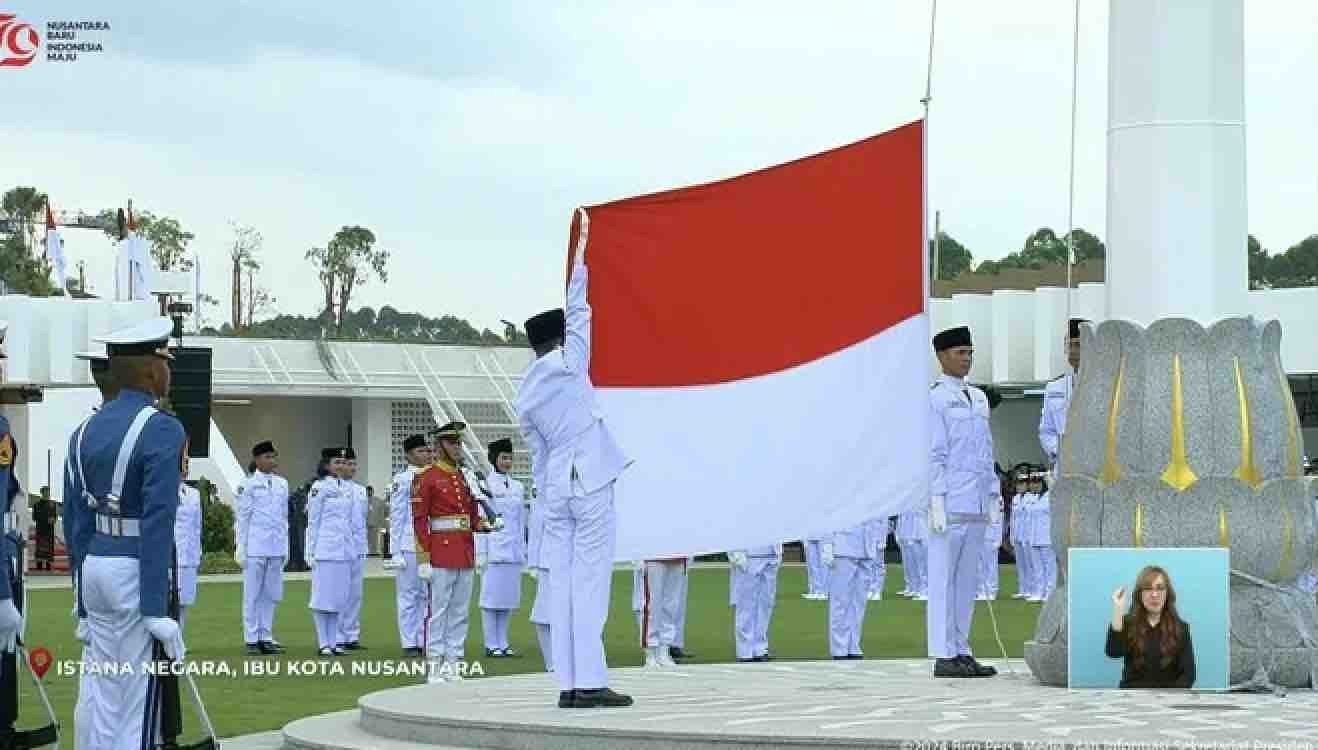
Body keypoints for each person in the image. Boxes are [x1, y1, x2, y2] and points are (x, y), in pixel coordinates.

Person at [516, 238, 633, 709]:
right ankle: (589, 682)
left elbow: (538, 455)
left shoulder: (525, 392)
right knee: (589, 585)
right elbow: (580, 310)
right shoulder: (569, 364)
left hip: (557, 491)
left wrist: (548, 499)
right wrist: (581, 256)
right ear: (561, 338)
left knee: (562, 588)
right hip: (589, 483)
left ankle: (568, 683)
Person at [63, 317, 188, 748]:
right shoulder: (162, 428)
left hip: (95, 565)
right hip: (133, 570)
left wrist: (81, 600)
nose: (169, 372)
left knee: (101, 690)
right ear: (152, 370)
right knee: (135, 699)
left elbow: (76, 522)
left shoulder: (83, 432)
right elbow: (157, 522)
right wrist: (156, 608)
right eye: (166, 361)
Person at [928, 325, 999, 678]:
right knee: (943, 579)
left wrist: (993, 496)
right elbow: (934, 454)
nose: (967, 359)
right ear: (942, 357)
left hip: (976, 501)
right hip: (950, 502)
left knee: (968, 582)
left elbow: (986, 452)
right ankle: (943, 654)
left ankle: (962, 649)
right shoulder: (936, 398)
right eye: (960, 353)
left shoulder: (979, 398)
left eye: (970, 352)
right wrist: (936, 500)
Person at [412, 421, 489, 683]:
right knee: (439, 611)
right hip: (441, 550)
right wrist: (423, 557)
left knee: (460, 610)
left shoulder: (463, 476)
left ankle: (453, 662)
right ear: (440, 446)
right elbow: (420, 520)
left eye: (459, 443)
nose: (458, 448)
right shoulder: (427, 477)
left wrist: (481, 525)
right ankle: (434, 663)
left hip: (464, 548)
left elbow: (469, 513)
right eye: (452, 443)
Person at [236, 440, 289, 654]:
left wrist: (285, 546)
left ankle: (266, 635)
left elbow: (284, 518)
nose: (272, 461)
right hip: (255, 546)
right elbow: (243, 518)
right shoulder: (247, 484)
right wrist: (241, 547)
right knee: (252, 595)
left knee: (271, 594)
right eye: (267, 457)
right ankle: (251, 637)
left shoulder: (282, 484)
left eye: (274, 456)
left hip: (275, 546)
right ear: (256, 460)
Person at [1106, 565, 1196, 688]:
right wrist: (1117, 610)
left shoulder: (1181, 628)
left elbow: (1189, 675)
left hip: (1169, 699)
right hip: (1131, 699)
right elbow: (1113, 651)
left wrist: (1167, 700)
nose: (1154, 595)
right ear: (1140, 594)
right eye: (1148, 589)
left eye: (1160, 589)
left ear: (1167, 594)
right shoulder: (1128, 623)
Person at [477, 437, 527, 658]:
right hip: (494, 549)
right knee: (491, 600)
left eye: (510, 458)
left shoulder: (518, 486)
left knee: (507, 599)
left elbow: (521, 521)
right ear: (493, 459)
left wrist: (524, 550)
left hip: (513, 550)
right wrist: (481, 552)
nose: (507, 462)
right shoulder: (485, 485)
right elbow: (480, 519)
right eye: (503, 458)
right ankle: (491, 644)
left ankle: (503, 642)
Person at [307, 448, 355, 656]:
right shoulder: (319, 488)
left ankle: (335, 640)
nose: (340, 466)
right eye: (336, 462)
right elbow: (313, 521)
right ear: (327, 465)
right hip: (325, 549)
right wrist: (310, 551)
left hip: (344, 550)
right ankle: (323, 642)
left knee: (338, 599)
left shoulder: (346, 488)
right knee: (322, 598)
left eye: (343, 462)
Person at [388, 434, 431, 657]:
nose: (425, 454)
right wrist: (394, 551)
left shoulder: (434, 476)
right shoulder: (402, 479)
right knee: (408, 594)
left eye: (427, 450)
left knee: (427, 594)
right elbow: (396, 516)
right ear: (408, 455)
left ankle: (424, 638)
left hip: (429, 543)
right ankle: (409, 641)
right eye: (420, 451)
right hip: (408, 542)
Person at [1040, 318, 1088, 473]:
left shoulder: (1104, 386)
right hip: (1063, 469)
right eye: (1069, 345)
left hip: (1093, 469)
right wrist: (1060, 450)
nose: (1073, 351)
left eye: (1078, 345)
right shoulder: (1054, 388)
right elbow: (1046, 431)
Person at [825, 519, 878, 660]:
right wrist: (828, 543)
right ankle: (839, 648)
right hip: (843, 544)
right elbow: (829, 512)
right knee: (840, 601)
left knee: (859, 603)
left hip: (867, 546)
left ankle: (853, 645)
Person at [729, 542, 781, 662]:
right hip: (748, 555)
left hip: (772, 553)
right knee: (746, 604)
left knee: (766, 605)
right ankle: (745, 650)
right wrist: (734, 551)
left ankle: (760, 648)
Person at [338, 453, 368, 651]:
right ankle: (338, 635)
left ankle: (351, 635)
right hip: (339, 547)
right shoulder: (332, 488)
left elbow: (362, 518)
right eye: (348, 464)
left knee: (355, 594)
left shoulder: (361, 491)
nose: (352, 468)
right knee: (340, 592)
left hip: (358, 546)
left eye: (354, 464)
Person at [526, 483, 553, 672]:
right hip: (548, 563)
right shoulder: (542, 500)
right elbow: (535, 532)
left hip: (573, 562)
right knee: (544, 614)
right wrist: (533, 563)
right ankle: (551, 662)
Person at [639, 556, 685, 668]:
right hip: (653, 556)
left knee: (671, 606)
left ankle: (664, 651)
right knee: (652, 604)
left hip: (678, 556)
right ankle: (650, 653)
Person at [175, 454, 203, 631]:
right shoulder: (162, 491)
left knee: (184, 600)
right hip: (170, 552)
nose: (186, 467)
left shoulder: (194, 494)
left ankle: (179, 639)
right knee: (169, 601)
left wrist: (198, 551)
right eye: (183, 463)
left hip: (189, 553)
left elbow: (197, 525)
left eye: (188, 463)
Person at [32, 486, 55, 571]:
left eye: (48, 492)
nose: (47, 494)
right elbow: (34, 517)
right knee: (40, 552)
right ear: (42, 493)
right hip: (41, 531)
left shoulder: (53, 504)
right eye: (45, 492)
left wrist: (53, 520)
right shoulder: (36, 505)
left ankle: (48, 570)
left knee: (49, 553)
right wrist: (46, 519)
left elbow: (54, 516)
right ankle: (39, 569)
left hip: (49, 531)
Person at [801, 533, 828, 600]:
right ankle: (814, 591)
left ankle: (824, 592)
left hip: (825, 535)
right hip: (809, 536)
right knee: (812, 565)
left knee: (824, 564)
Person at [366, 485, 386, 557]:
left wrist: (381, 522)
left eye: (370, 491)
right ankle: (367, 551)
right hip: (365, 524)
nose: (369, 492)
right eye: (368, 491)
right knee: (367, 538)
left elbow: (382, 511)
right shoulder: (362, 501)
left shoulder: (377, 501)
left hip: (375, 523)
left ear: (372, 491)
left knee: (375, 538)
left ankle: (374, 552)